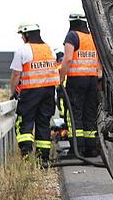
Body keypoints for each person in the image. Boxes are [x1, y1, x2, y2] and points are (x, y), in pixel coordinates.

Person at [10, 22, 59, 164]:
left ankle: (26, 154)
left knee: (25, 122)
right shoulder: (49, 49)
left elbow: (16, 75)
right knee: (43, 123)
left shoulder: (23, 50)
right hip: (49, 92)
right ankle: (43, 158)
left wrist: (12, 92)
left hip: (30, 92)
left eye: (22, 36)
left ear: (26, 35)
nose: (21, 38)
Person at [60, 12, 102, 157]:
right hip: (92, 79)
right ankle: (91, 148)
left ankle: (76, 149)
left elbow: (68, 59)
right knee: (89, 113)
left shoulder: (72, 36)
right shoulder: (92, 37)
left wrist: (60, 78)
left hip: (76, 80)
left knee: (74, 114)